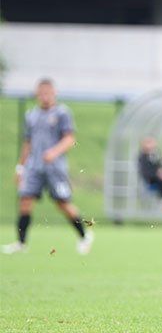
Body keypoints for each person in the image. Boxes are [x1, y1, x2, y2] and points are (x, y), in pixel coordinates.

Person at [3, 78, 94, 255]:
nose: (45, 96)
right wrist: (20, 167)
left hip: (55, 169)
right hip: (33, 168)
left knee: (63, 203)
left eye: (48, 93)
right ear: (37, 94)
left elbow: (69, 139)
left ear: (54, 93)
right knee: (25, 201)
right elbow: (27, 142)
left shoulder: (62, 113)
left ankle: (84, 235)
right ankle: (21, 243)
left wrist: (54, 152)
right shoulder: (31, 115)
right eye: (41, 93)